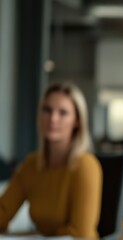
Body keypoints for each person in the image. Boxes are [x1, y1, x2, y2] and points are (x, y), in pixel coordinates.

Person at [0, 81, 102, 238]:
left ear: (77, 121)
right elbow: (3, 212)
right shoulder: (32, 164)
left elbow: (81, 235)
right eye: (47, 110)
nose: (53, 118)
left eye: (63, 112)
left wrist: (37, 235)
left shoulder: (86, 166)